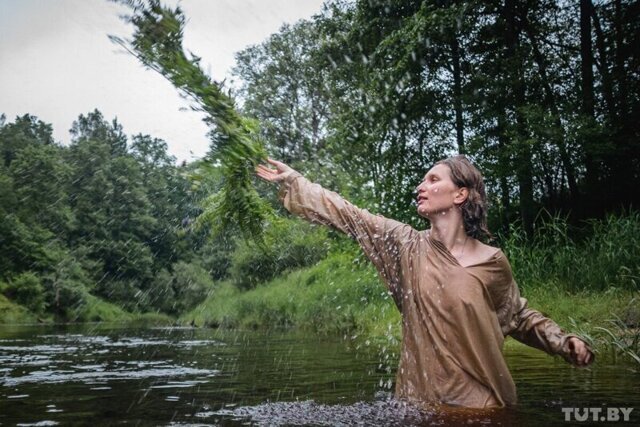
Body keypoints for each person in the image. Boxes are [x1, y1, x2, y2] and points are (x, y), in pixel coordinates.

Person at [255, 155, 594, 409]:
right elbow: (350, 215)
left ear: (460, 194)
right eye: (422, 181)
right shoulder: (405, 244)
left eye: (433, 180)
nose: (421, 187)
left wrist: (563, 343)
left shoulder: (492, 262)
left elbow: (518, 317)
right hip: (418, 404)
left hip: (480, 405)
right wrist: (296, 181)